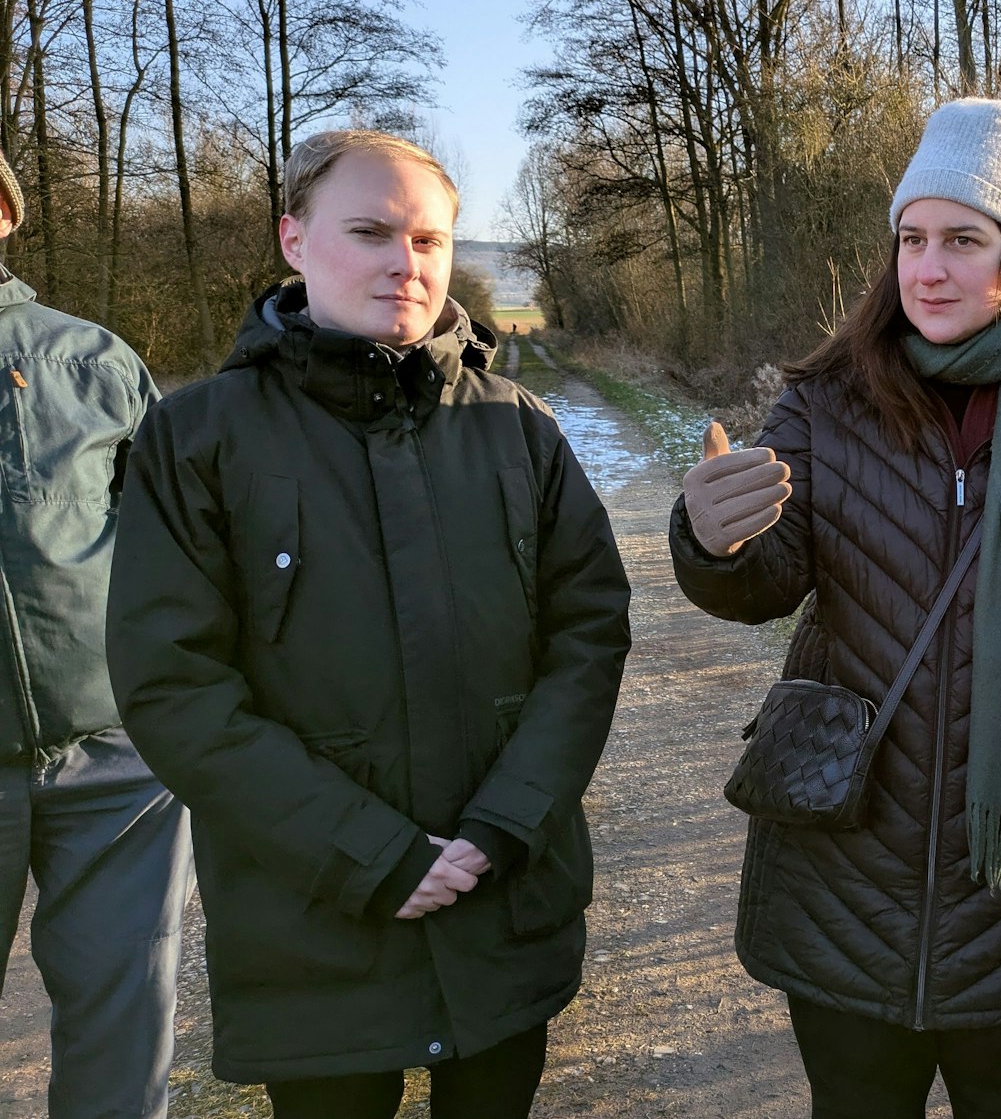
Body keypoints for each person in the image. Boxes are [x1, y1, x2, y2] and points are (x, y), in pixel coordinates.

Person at [669, 97, 1001, 1117]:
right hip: (849, 863)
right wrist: (711, 539)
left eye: (962, 239)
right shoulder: (829, 401)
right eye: (911, 239)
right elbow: (765, 579)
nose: (927, 267)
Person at [105, 129, 631, 1119]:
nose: (405, 261)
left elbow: (588, 635)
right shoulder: (196, 437)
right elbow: (173, 687)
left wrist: (504, 825)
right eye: (370, 231)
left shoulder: (517, 426)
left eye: (430, 240)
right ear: (294, 239)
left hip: (500, 902)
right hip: (315, 930)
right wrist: (374, 857)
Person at [0, 150, 193, 1119]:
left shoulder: (95, 359)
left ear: (2, 211)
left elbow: (181, 548)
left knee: (124, 1040)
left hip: (120, 766)